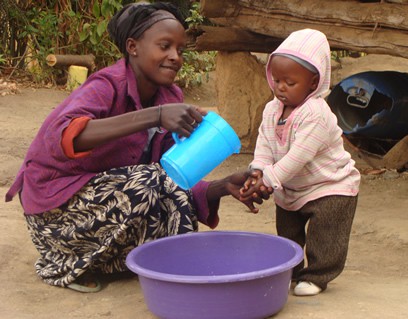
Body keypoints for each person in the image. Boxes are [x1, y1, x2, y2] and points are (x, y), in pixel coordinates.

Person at [5, 2, 269, 293]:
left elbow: (173, 175)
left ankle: (172, 274)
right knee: (148, 182)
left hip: (104, 205)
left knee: (167, 188)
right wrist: (154, 117)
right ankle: (63, 262)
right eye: (165, 46)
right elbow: (64, 136)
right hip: (56, 216)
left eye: (180, 50)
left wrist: (221, 186)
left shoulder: (170, 97)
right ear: (133, 47)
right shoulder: (106, 85)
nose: (175, 57)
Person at [240, 29, 361, 296]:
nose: (281, 87)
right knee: (287, 230)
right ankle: (291, 271)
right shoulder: (272, 108)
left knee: (326, 233)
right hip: (291, 186)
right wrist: (258, 169)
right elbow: (264, 141)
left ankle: (318, 275)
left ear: (313, 81)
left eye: (290, 82)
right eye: (277, 80)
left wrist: (268, 179)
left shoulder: (316, 113)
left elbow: (299, 156)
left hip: (329, 185)